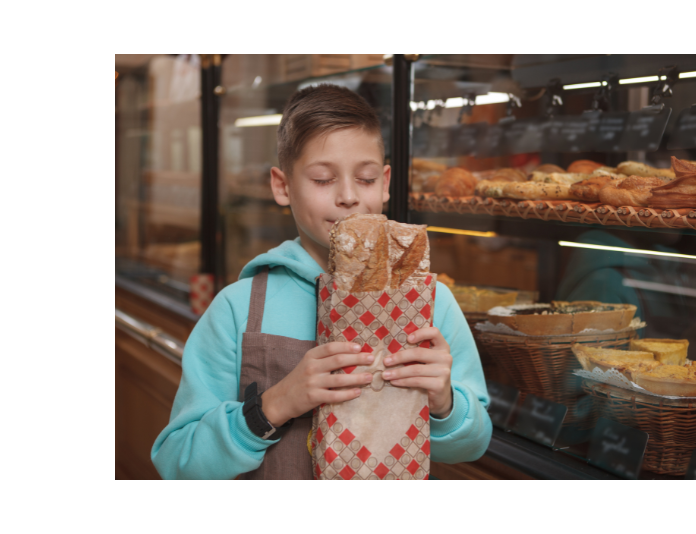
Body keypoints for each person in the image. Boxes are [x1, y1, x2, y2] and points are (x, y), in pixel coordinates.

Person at [151, 84, 492, 479]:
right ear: (282, 186)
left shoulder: (432, 303)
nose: (348, 197)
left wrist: (446, 403)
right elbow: (177, 464)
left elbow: (474, 444)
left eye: (364, 179)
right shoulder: (237, 307)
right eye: (322, 179)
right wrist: (273, 405)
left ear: (385, 183)